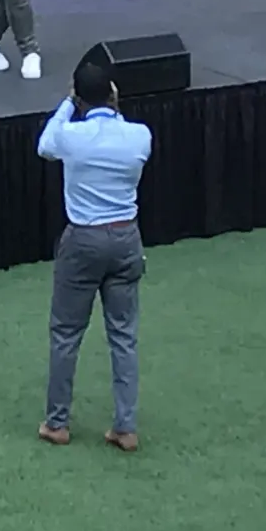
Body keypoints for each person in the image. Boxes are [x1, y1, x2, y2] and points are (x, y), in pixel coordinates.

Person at [35, 58, 154, 452]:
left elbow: (44, 145)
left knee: (66, 333)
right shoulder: (140, 136)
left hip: (83, 241)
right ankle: (126, 426)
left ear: (79, 97)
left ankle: (57, 423)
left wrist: (69, 104)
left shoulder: (71, 135)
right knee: (124, 336)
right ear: (114, 93)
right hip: (125, 240)